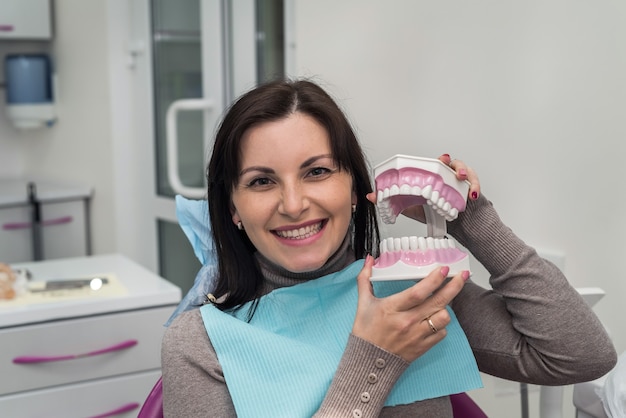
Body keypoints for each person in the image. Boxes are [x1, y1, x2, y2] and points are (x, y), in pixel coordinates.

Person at [161, 79, 617, 417]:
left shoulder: (411, 290)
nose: (294, 204)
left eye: (317, 172)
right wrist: (373, 358)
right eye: (262, 181)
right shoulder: (199, 346)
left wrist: (474, 221)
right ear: (233, 207)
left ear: (357, 188)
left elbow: (581, 356)